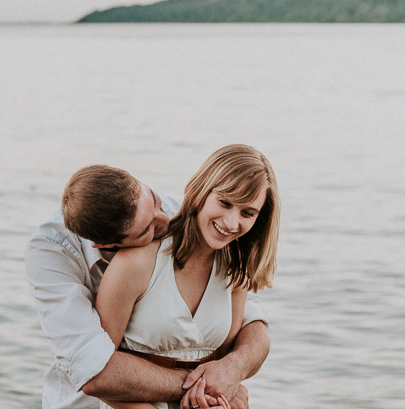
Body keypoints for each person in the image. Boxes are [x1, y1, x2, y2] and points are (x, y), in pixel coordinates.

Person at [26, 161, 271, 409]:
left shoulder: (178, 214)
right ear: (108, 246)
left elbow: (249, 321)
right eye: (148, 229)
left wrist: (232, 371)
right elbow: (95, 370)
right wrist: (207, 386)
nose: (165, 221)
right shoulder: (52, 250)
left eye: (154, 200)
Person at [93, 145, 280, 409]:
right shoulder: (138, 261)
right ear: (202, 190)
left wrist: (229, 392)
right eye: (224, 202)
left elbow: (223, 361)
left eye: (247, 213)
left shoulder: (235, 271)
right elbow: (97, 371)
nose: (230, 222)